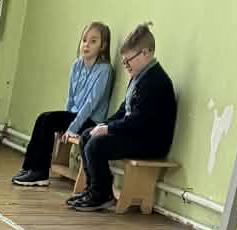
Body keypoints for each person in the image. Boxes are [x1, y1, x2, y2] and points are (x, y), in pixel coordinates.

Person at [68, 20, 176, 213]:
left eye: (128, 60)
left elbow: (139, 120)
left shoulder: (155, 81)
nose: (125, 65)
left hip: (150, 142)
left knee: (97, 145)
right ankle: (94, 189)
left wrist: (109, 129)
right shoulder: (139, 77)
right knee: (87, 135)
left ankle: (101, 195)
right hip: (135, 134)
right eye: (124, 61)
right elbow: (123, 112)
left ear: (145, 53)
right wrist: (103, 125)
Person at [12, 22, 113, 188]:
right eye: (84, 40)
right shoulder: (77, 65)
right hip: (74, 116)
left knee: (48, 120)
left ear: (103, 46)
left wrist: (71, 127)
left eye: (93, 41)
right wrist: (63, 125)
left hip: (90, 121)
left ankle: (40, 173)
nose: (86, 45)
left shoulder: (105, 70)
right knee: (43, 117)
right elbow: (70, 97)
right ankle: (29, 167)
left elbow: (90, 104)